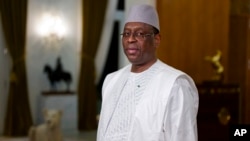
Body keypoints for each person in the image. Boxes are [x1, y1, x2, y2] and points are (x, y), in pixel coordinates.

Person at [97, 4, 199, 141]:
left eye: (139, 33)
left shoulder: (175, 84)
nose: (130, 39)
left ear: (156, 40)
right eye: (126, 33)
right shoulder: (111, 80)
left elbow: (183, 137)